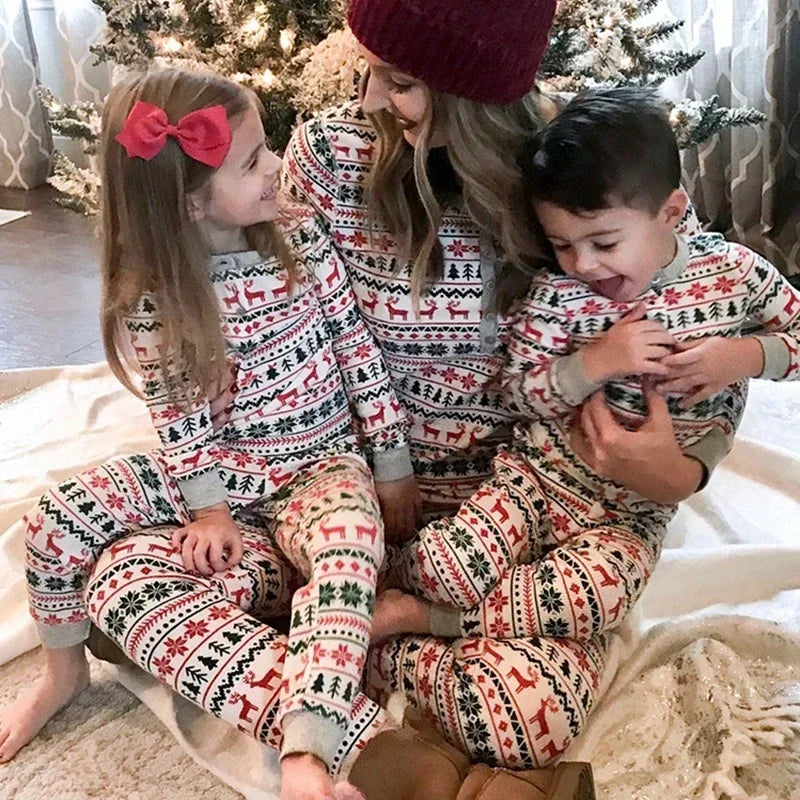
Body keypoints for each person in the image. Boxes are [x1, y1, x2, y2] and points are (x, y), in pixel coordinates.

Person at [278, 0, 718, 773]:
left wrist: (681, 472)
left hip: (536, 509)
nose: (371, 101)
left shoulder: (572, 170)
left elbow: (697, 289)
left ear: (477, 97)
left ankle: (371, 639)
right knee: (194, 562)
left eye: (402, 82)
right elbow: (301, 335)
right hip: (367, 495)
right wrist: (379, 468)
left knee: (529, 722)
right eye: (370, 71)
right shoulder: (327, 158)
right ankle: (354, 641)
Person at [0, 67, 435, 800]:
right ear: (193, 202)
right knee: (52, 522)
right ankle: (66, 671)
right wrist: (209, 508)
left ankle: (308, 749)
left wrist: (390, 464)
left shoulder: (299, 238)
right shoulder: (156, 295)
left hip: (323, 468)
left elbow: (358, 354)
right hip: (223, 475)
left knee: (349, 553)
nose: (277, 167)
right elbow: (180, 418)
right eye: (255, 161)